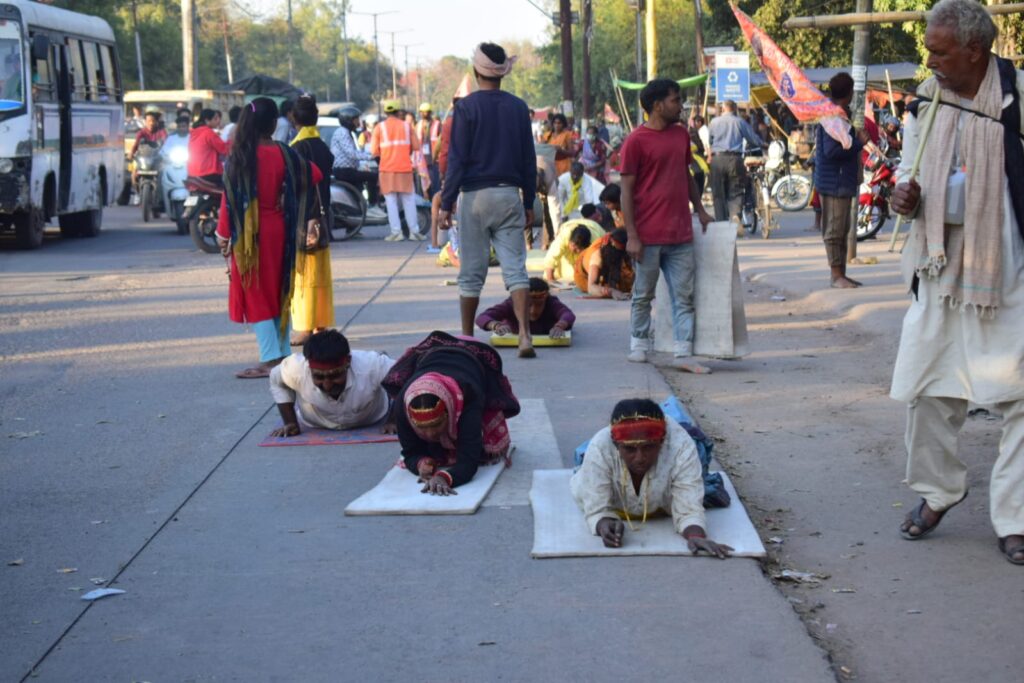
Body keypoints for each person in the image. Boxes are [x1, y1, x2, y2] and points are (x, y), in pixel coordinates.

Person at [888, 0, 1024, 566]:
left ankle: (1016, 518)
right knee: (926, 389)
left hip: (1009, 273)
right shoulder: (926, 96)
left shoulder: (1017, 96)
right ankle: (940, 490)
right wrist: (904, 191)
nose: (930, 58)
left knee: (1023, 399)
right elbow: (907, 165)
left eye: (939, 50)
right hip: (939, 269)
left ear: (976, 50)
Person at [439, 42, 537, 358]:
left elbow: (457, 159)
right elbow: (528, 158)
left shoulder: (465, 109)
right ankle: (524, 335)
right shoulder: (519, 107)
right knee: (516, 271)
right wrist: (528, 202)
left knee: (471, 274)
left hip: (474, 198)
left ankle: (467, 339)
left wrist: (446, 202)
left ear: (476, 71)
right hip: (509, 195)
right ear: (502, 73)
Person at [214, 98, 322, 379]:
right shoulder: (285, 153)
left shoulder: (240, 157)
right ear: (274, 124)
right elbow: (315, 174)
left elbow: (229, 201)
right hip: (279, 229)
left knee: (256, 294)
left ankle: (270, 358)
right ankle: (283, 353)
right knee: (279, 291)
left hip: (250, 236)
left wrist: (223, 234)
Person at [621, 79, 715, 373]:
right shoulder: (635, 141)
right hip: (647, 236)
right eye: (676, 100)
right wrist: (632, 235)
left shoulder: (680, 135)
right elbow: (626, 190)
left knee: (684, 296)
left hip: (680, 233)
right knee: (643, 294)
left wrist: (700, 209)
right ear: (658, 105)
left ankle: (683, 351)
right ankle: (638, 344)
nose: (681, 106)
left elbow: (686, 175)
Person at [570, 399, 732, 558]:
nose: (640, 458)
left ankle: (676, 417)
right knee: (584, 460)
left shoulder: (681, 445)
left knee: (699, 453)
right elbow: (596, 507)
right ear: (616, 444)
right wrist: (603, 522)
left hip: (681, 443)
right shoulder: (600, 446)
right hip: (597, 457)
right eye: (630, 449)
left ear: (662, 442)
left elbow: (689, 508)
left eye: (648, 447)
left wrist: (696, 536)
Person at [382, 331, 521, 495]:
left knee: (484, 449)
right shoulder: (402, 406)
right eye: (421, 427)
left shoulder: (468, 397)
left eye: (435, 424)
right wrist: (420, 463)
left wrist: (445, 477)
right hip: (431, 354)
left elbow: (469, 461)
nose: (430, 434)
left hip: (474, 355)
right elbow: (410, 452)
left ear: (450, 413)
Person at [268, 330, 396, 436]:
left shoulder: (372, 365)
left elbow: (404, 379)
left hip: (373, 418)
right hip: (315, 422)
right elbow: (276, 380)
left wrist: (394, 420)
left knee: (389, 372)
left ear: (348, 362)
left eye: (335, 375)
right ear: (308, 366)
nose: (327, 385)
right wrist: (290, 422)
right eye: (318, 377)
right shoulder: (295, 368)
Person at [814, 73, 870, 289]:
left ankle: (841, 275)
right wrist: (858, 144)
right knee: (835, 230)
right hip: (834, 183)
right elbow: (832, 151)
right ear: (849, 93)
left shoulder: (837, 115)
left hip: (839, 182)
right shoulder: (832, 118)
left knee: (842, 229)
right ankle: (836, 275)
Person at [289, 94, 336, 346]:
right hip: (322, 215)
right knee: (320, 273)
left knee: (304, 275)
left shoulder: (298, 147)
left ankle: (305, 327)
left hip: (303, 216)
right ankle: (320, 323)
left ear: (292, 118)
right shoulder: (320, 145)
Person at [371, 99, 424, 241]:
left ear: (386, 112)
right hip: (405, 169)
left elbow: (374, 151)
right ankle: (414, 232)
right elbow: (416, 146)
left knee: (391, 202)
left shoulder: (379, 128)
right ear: (398, 112)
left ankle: (396, 232)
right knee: (408, 200)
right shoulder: (407, 127)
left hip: (387, 170)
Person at [708, 100, 763, 225]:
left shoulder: (713, 122)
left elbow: (710, 141)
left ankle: (721, 222)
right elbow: (753, 139)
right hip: (735, 159)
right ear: (735, 109)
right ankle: (735, 217)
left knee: (718, 193)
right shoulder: (740, 122)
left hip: (717, 159)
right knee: (736, 191)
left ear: (723, 109)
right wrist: (762, 143)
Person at [477, 277, 575, 338]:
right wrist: (496, 325)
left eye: (538, 304)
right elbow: (482, 318)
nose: (533, 312)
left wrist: (560, 326)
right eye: (528, 305)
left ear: (545, 298)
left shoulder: (551, 302)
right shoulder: (512, 303)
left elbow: (568, 314)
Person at [330, 104, 380, 206]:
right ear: (349, 120)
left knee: (364, 179)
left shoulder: (346, 132)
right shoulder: (343, 133)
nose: (358, 122)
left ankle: (362, 206)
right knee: (374, 177)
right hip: (344, 171)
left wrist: (363, 163)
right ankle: (373, 204)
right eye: (356, 119)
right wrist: (372, 156)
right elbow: (351, 153)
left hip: (347, 169)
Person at [574, 228, 634, 299]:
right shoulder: (597, 255)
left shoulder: (621, 253)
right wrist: (611, 292)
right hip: (584, 276)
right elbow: (591, 288)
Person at [187, 109, 228, 186]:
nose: (218, 121)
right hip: (208, 173)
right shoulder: (209, 133)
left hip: (193, 173)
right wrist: (234, 140)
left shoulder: (194, 132)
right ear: (207, 120)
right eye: (215, 119)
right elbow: (224, 149)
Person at [416, 102, 442, 197]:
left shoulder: (437, 124)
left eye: (426, 112)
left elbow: (441, 141)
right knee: (424, 189)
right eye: (422, 112)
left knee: (435, 186)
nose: (423, 114)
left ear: (430, 112)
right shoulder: (418, 125)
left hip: (434, 161)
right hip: (422, 162)